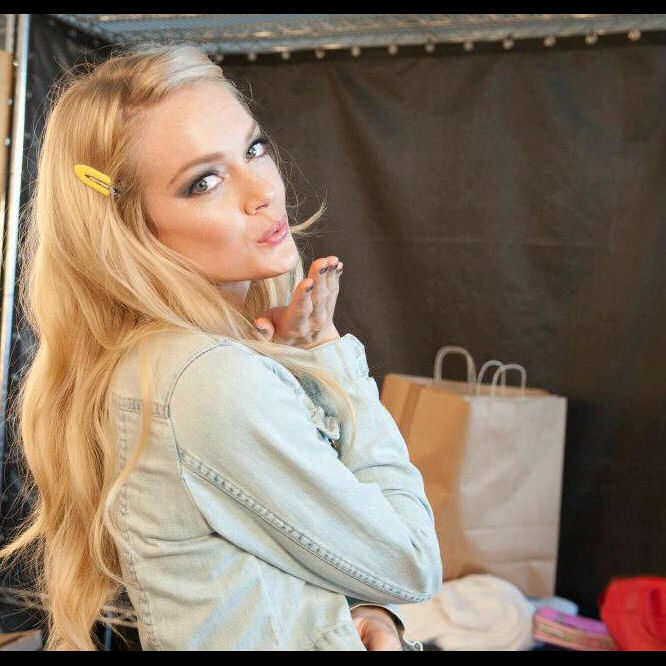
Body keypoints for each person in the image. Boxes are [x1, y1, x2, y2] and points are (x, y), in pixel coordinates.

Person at [0, 43, 442, 650]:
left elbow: (280, 567)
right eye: (203, 182)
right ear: (131, 227)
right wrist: (327, 353)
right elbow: (411, 561)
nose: (261, 191)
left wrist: (360, 613)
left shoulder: (157, 362)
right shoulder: (209, 379)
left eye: (253, 148)